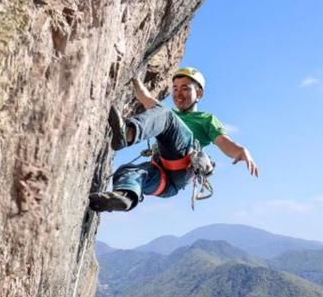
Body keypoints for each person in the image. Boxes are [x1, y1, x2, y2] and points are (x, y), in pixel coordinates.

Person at [89, 67, 259, 212]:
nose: (178, 93)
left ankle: (127, 134)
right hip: (165, 181)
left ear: (198, 93)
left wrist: (240, 151)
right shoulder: (167, 115)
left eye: (185, 88)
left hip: (182, 167)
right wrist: (133, 75)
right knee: (128, 171)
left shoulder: (205, 119)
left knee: (165, 114)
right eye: (175, 88)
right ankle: (125, 196)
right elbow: (145, 98)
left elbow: (223, 142)